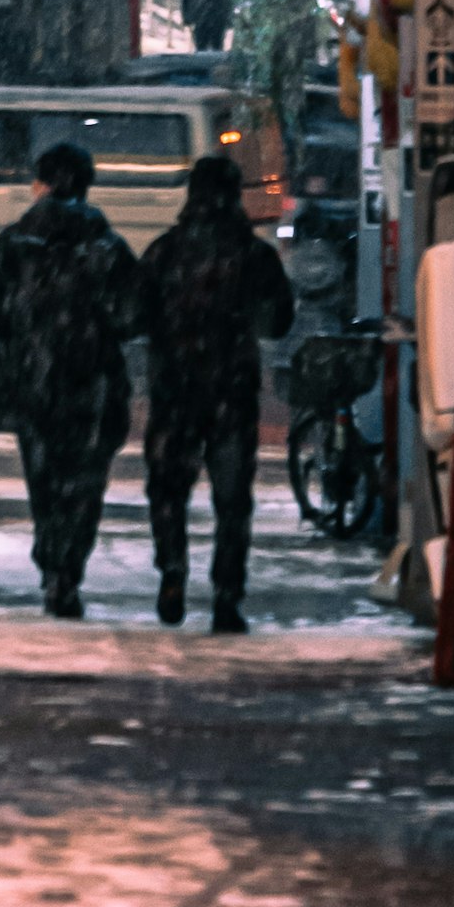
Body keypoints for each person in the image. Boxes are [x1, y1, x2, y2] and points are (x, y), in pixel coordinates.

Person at [0, 144, 142, 617]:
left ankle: (51, 563)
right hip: (93, 383)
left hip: (31, 382)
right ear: (87, 186)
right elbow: (134, 315)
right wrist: (95, 328)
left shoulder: (15, 243)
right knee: (84, 484)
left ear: (40, 184)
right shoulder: (109, 247)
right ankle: (68, 572)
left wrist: (22, 334)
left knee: (43, 480)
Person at [135, 149, 294, 632]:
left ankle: (173, 574)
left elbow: (135, 315)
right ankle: (227, 595)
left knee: (167, 492)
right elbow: (278, 324)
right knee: (232, 499)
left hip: (174, 393)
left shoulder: (164, 251)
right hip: (232, 394)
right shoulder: (254, 254)